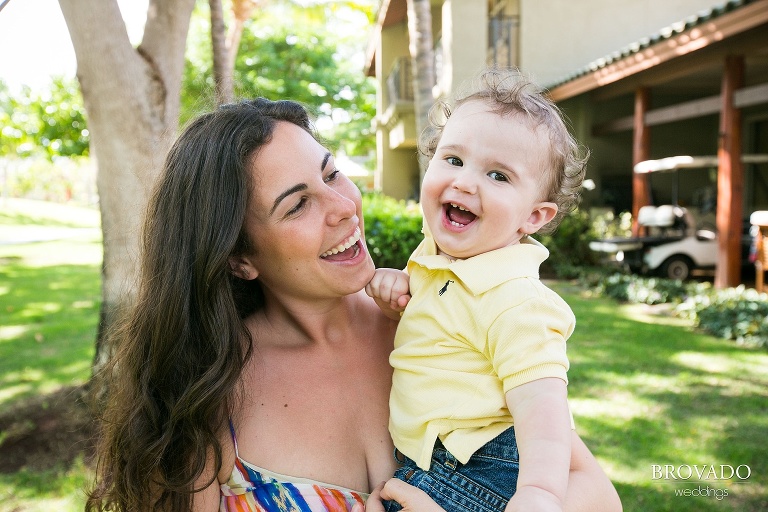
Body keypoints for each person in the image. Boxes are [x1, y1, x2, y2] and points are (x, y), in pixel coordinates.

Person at [85, 97, 621, 512]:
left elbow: (597, 497)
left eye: (331, 173)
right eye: (298, 205)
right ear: (238, 258)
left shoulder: (431, 321)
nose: (343, 206)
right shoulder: (207, 391)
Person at [366, 68, 592, 512]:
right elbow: (440, 330)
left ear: (533, 217)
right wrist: (399, 291)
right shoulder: (439, 260)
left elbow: (543, 406)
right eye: (453, 160)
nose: (465, 182)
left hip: (481, 467)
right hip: (437, 458)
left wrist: (539, 493)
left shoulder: (516, 300)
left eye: (498, 175)